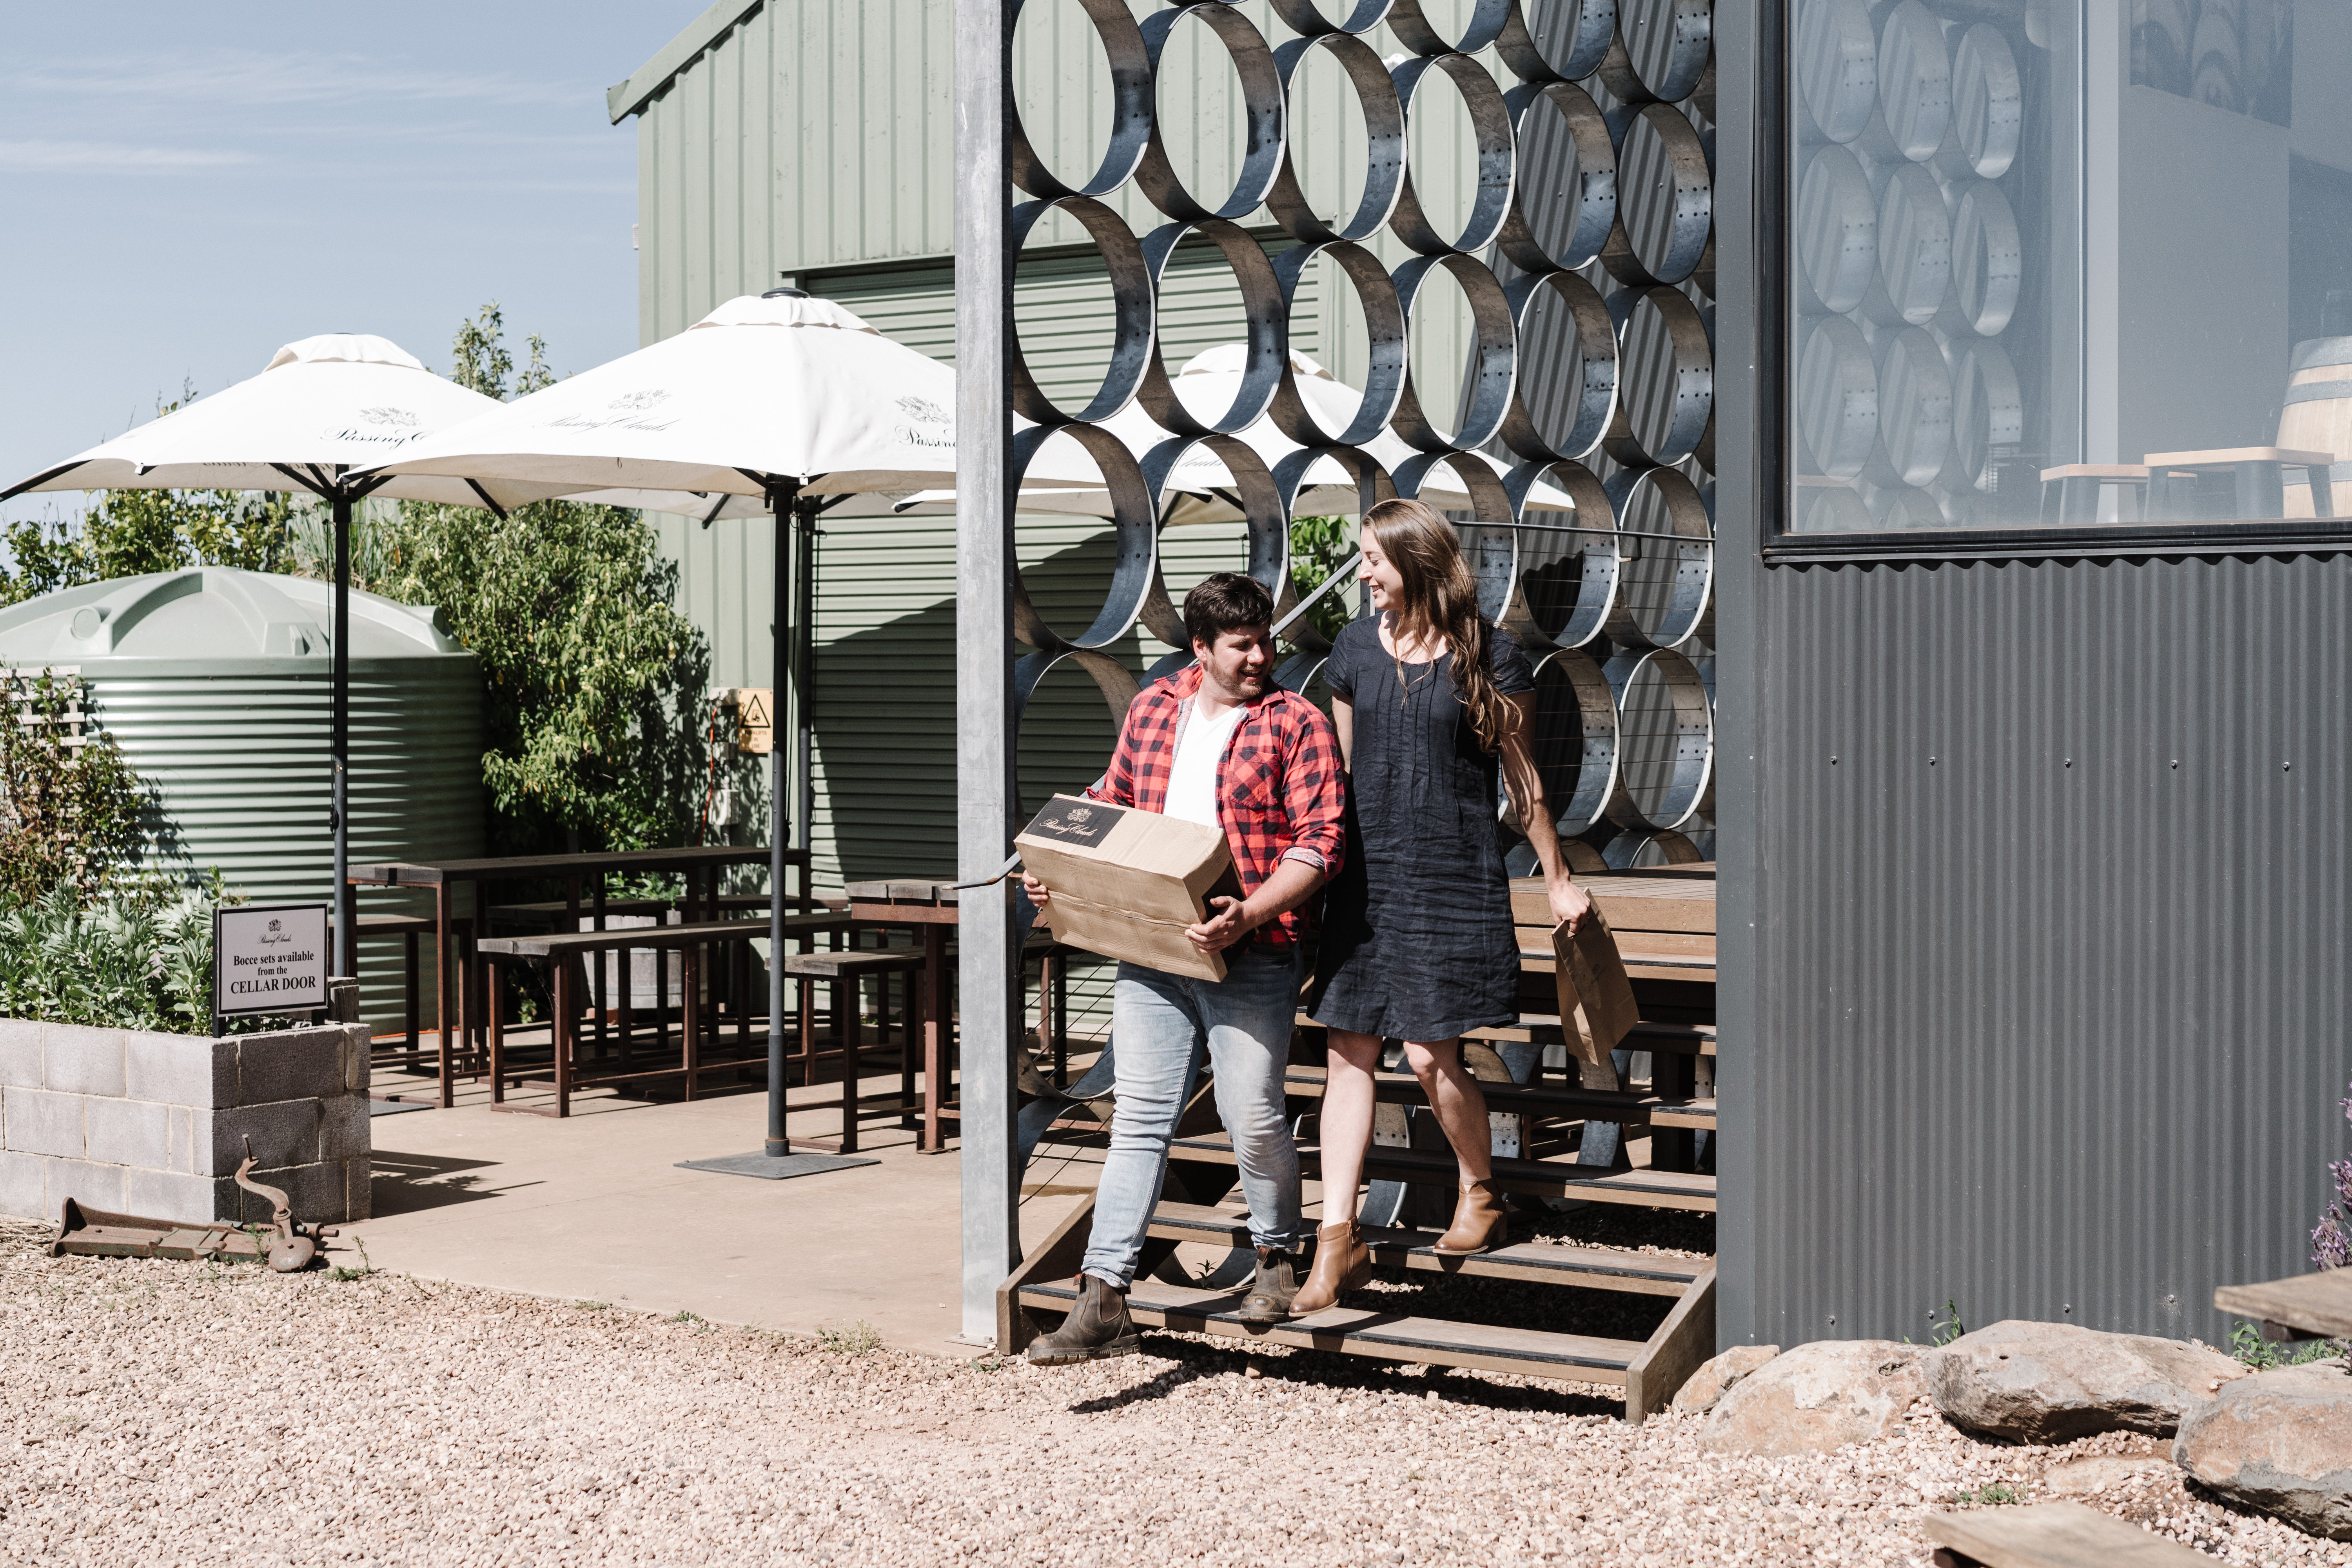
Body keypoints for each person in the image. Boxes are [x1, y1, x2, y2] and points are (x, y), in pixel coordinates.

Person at [1022, 571, 1348, 1364]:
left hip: (1257, 952)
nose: (1261, 656)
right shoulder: (1154, 707)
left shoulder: (1295, 722)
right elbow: (1113, 799)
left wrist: (1254, 910)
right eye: (1242, 644)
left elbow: (1323, 840)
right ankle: (1103, 1297)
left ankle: (1275, 1255)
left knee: (1252, 1112)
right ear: (1201, 648)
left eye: (1265, 640)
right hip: (1156, 950)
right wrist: (1058, 866)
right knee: (1138, 1116)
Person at [1293, 499, 1593, 1317]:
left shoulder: (1491, 654)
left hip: (1452, 872)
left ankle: (1480, 1187)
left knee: (1431, 1057)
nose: (1363, 574)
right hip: (1368, 876)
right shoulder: (1353, 651)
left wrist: (1556, 875)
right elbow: (1344, 776)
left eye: (1374, 562)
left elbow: (1522, 778)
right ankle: (1336, 1240)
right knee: (1347, 1054)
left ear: (1416, 564)